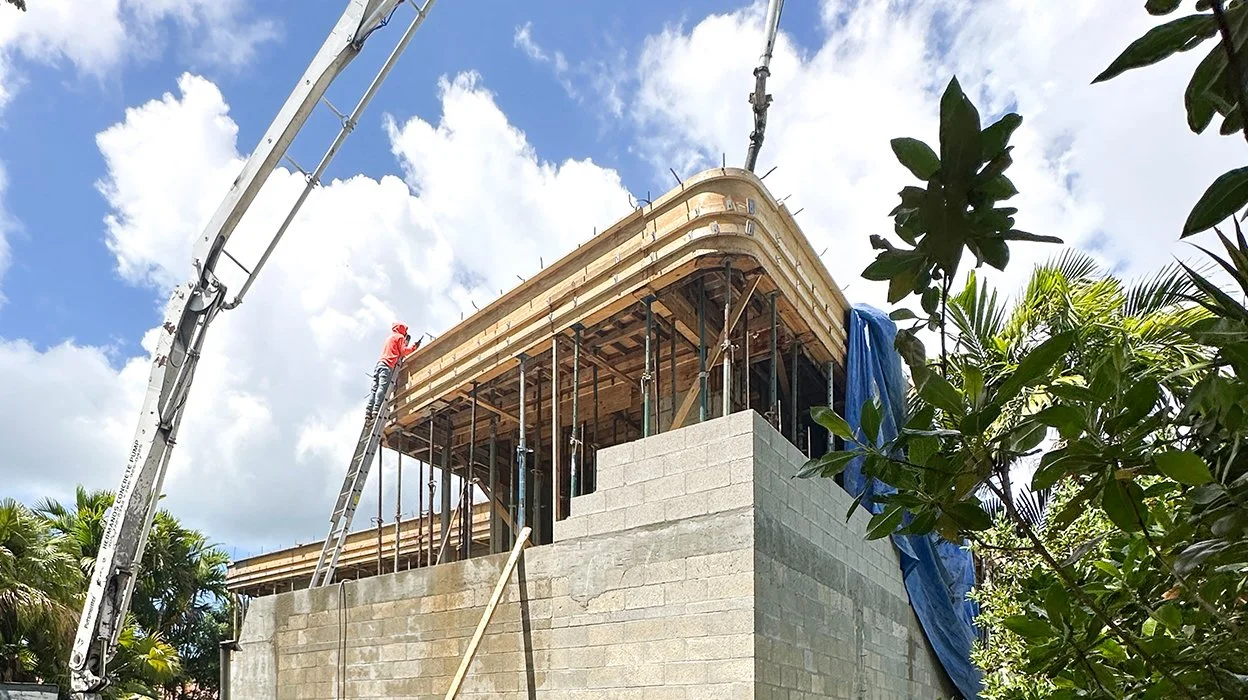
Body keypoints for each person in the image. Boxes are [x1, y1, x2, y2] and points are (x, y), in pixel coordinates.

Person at [366, 322, 421, 420]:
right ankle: (376, 409)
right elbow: (404, 352)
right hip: (387, 365)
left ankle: (368, 410)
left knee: (374, 389)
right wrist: (414, 347)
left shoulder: (389, 338)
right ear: (402, 330)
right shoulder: (399, 337)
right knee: (382, 388)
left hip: (379, 365)